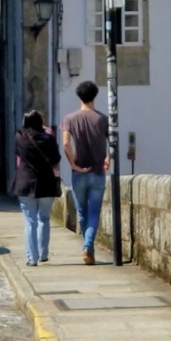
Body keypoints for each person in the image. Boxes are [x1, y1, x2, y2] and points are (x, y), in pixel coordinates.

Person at [61, 80, 110, 266]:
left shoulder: (70, 119)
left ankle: (87, 247)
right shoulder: (102, 119)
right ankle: (88, 248)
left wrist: (73, 164)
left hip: (79, 172)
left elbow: (65, 143)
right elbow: (112, 142)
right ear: (94, 96)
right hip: (97, 172)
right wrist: (108, 158)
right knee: (94, 212)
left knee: (82, 212)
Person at [13, 110, 61, 267]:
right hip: (46, 182)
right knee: (44, 219)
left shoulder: (19, 137)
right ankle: (43, 254)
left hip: (25, 182)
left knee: (30, 221)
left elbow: (17, 153)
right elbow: (56, 159)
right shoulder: (48, 138)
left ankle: (31, 258)